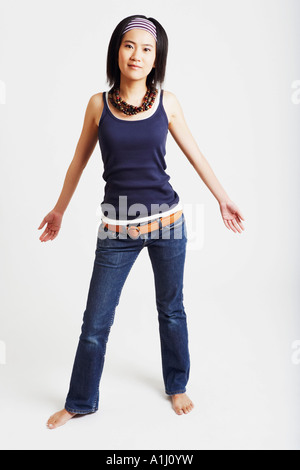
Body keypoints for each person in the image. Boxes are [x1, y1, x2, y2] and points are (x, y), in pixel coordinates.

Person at [38, 15, 245, 430]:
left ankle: (177, 385)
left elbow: (196, 155)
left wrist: (223, 199)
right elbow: (79, 161)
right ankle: (81, 400)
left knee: (171, 310)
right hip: (116, 231)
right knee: (95, 322)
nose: (137, 54)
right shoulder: (98, 104)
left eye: (147, 49)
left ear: (156, 59)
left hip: (168, 224)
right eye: (130, 45)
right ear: (117, 51)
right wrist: (59, 209)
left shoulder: (168, 103)